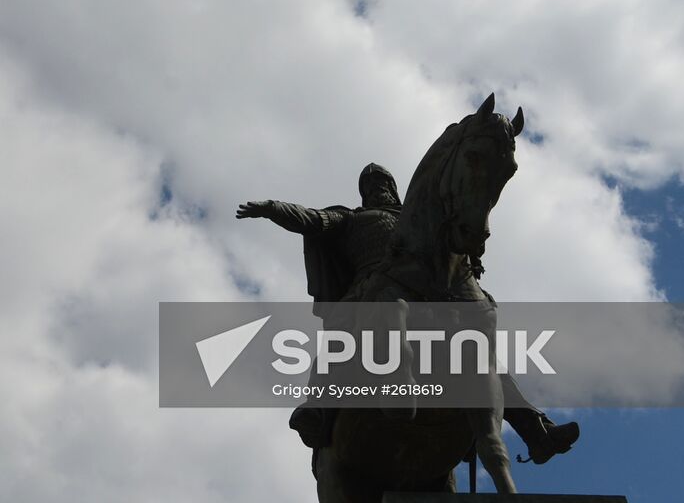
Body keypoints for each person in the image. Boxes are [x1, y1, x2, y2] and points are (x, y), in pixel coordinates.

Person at [236, 163, 578, 463]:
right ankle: (317, 407)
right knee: (340, 342)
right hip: (370, 292)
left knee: (481, 361)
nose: (377, 188)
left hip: (427, 297)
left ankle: (537, 433)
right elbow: (314, 220)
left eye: (382, 182)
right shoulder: (351, 218)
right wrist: (273, 207)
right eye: (369, 185)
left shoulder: (422, 221)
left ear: (394, 187)